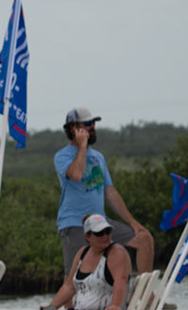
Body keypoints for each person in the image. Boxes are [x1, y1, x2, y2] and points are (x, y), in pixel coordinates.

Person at [55, 106, 153, 278]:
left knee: (145, 239)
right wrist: (82, 147)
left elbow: (110, 193)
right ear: (73, 128)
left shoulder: (98, 157)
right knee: (73, 276)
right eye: (87, 123)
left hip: (101, 222)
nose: (92, 127)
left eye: (93, 123)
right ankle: (69, 305)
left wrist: (133, 223)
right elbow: (76, 174)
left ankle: (148, 300)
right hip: (74, 224)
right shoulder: (63, 156)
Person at [41, 213, 130, 310]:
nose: (105, 236)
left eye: (108, 231)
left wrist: (115, 305)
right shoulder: (82, 252)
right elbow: (69, 287)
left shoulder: (117, 252)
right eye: (100, 233)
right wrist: (51, 308)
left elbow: (121, 280)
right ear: (88, 236)